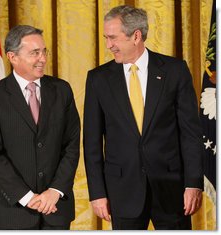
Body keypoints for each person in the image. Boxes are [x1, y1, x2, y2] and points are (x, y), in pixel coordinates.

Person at [83, 5, 203, 230]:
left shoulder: (175, 71)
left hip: (171, 190)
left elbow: (191, 133)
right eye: (106, 38)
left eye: (113, 38)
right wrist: (97, 193)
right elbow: (91, 143)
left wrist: (193, 184)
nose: (108, 45)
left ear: (136, 36)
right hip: (122, 192)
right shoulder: (98, 79)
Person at [0, 25, 80, 230]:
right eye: (35, 53)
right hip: (12, 210)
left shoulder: (62, 90)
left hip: (55, 208)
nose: (43, 58)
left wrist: (55, 190)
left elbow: (72, 145)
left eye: (44, 51)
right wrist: (27, 197)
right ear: (12, 57)